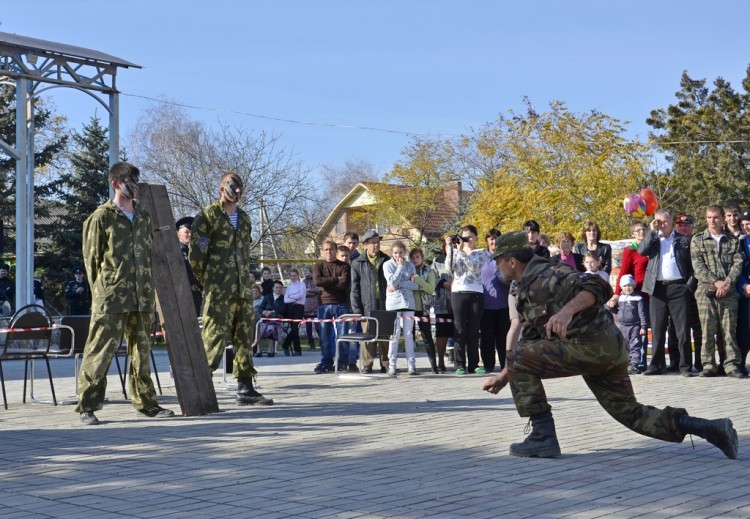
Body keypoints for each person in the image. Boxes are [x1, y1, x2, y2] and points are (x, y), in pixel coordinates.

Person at [481, 231, 738, 460]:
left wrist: (567, 311)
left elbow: (598, 285)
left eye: (498, 260)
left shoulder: (551, 273)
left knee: (518, 357)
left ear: (512, 261)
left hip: (591, 348)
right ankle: (711, 428)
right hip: (605, 352)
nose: (497, 266)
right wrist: (505, 376)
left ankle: (542, 436)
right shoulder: (524, 287)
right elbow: (530, 341)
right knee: (631, 414)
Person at [75, 161, 174, 425]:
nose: (136, 186)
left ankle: (146, 402)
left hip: (141, 296)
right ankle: (88, 405)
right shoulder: (101, 217)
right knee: (100, 351)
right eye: (130, 181)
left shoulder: (142, 216)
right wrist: (102, 293)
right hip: (111, 297)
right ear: (115, 184)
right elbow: (92, 261)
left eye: (137, 181)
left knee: (142, 352)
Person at [190, 172, 273, 406]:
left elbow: (244, 254)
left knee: (244, 337)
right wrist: (209, 281)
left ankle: (245, 389)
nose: (237, 192)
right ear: (221, 188)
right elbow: (196, 256)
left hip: (241, 290)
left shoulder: (244, 219)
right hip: (218, 290)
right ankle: (200, 390)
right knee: (213, 338)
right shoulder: (207, 216)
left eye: (240, 189)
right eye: (232, 187)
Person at [691, 205, 746, 378]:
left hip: (729, 292)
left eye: (715, 217)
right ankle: (708, 365)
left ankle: (731, 365)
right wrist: (716, 282)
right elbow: (698, 267)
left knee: (729, 330)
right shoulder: (698, 239)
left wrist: (726, 284)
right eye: (709, 217)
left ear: (722, 218)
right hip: (705, 292)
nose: (712, 221)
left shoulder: (732, 240)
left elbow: (738, 265)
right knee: (707, 330)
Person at [638, 209, 694, 377]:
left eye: (664, 222)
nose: (662, 224)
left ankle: (685, 366)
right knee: (657, 329)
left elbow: (693, 266)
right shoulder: (654, 239)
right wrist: (652, 231)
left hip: (679, 288)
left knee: (682, 330)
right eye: (658, 222)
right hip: (657, 289)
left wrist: (688, 286)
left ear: (671, 222)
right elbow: (641, 251)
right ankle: (656, 365)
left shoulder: (684, 240)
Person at [446, 225, 491, 375]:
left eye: (470, 237)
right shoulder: (456, 251)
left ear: (476, 237)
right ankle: (459, 364)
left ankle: (474, 364)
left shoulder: (482, 253)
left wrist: (462, 253)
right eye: (464, 238)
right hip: (458, 292)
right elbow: (449, 268)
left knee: (473, 330)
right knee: (459, 329)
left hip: (476, 293)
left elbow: (474, 268)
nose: (467, 241)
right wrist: (450, 249)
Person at [608, 221, 650, 371]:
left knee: (651, 328)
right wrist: (617, 294)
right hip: (637, 293)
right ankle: (635, 362)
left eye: (643, 229)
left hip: (654, 292)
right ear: (632, 234)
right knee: (638, 331)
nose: (641, 232)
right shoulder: (630, 250)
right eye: (637, 230)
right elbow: (623, 273)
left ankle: (649, 362)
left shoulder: (653, 246)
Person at [350, 230, 390, 374]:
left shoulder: (387, 259)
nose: (376, 245)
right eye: (373, 242)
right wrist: (356, 309)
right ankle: (367, 364)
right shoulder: (357, 263)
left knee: (384, 335)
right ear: (366, 245)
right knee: (368, 336)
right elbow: (354, 289)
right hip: (367, 304)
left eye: (378, 242)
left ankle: (386, 363)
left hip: (385, 303)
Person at [669, 214, 702, 372]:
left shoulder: (696, 242)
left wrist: (689, 286)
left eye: (686, 225)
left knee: (697, 329)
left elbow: (698, 267)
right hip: (676, 292)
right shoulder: (672, 242)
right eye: (679, 225)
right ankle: (675, 361)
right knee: (675, 329)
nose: (682, 228)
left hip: (693, 292)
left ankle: (699, 362)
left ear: (692, 227)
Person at [313, 239, 350, 373]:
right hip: (323, 304)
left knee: (343, 335)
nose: (329, 252)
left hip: (341, 304)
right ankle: (326, 363)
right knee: (325, 336)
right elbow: (317, 281)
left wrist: (326, 283)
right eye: (326, 249)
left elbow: (343, 285)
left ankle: (342, 363)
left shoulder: (344, 266)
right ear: (323, 251)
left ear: (336, 250)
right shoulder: (318, 266)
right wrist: (335, 279)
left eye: (332, 249)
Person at [383, 241, 419, 375]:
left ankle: (411, 364)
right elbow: (391, 282)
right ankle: (392, 364)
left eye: (401, 252)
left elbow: (415, 285)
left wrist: (401, 284)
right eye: (395, 253)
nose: (398, 255)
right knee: (395, 334)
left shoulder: (410, 265)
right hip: (393, 304)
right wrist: (399, 267)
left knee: (408, 334)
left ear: (405, 252)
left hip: (408, 303)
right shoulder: (387, 265)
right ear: (391, 253)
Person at [480, 229, 511, 372]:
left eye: (496, 239)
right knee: (487, 337)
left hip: (504, 304)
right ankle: (488, 365)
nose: (493, 242)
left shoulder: (505, 257)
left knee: (503, 337)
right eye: (491, 239)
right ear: (487, 241)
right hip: (486, 304)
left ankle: (506, 364)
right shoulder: (481, 257)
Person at [409, 247, 439, 374]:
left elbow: (431, 289)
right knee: (410, 337)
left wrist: (418, 281)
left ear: (422, 258)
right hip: (409, 308)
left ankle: (434, 366)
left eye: (417, 257)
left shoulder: (429, 271)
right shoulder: (407, 270)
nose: (415, 260)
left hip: (424, 308)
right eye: (413, 257)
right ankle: (411, 366)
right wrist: (420, 286)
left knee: (427, 337)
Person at [612, 274, 648, 374]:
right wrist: (611, 306)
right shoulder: (619, 298)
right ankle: (626, 364)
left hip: (635, 326)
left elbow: (642, 313)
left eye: (629, 285)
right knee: (624, 346)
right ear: (621, 287)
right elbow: (616, 310)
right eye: (625, 286)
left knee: (635, 345)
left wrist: (643, 326)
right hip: (622, 326)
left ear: (634, 286)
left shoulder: (638, 298)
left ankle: (634, 365)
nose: (627, 288)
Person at [431, 238, 454, 373]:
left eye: (452, 245)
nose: (450, 247)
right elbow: (433, 276)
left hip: (458, 300)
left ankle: (459, 360)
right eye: (448, 245)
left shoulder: (460, 257)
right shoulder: (438, 260)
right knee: (442, 333)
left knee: (458, 331)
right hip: (442, 302)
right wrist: (445, 284)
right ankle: (440, 361)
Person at [335, 245, 358, 372]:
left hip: (351, 307)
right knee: (340, 336)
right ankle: (340, 361)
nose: (344, 258)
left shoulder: (352, 269)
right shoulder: (335, 269)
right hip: (339, 306)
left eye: (346, 256)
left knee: (353, 336)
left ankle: (352, 361)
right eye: (342, 256)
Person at [176, 216, 202, 316]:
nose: (190, 234)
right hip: (183, 295)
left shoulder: (197, 251)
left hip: (197, 294)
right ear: (179, 234)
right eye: (187, 232)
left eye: (192, 232)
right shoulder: (176, 252)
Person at [256, 280, 287, 357]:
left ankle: (270, 350)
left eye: (280, 288)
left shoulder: (284, 298)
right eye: (277, 287)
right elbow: (260, 308)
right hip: (265, 319)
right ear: (273, 288)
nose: (278, 289)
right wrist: (263, 312)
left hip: (276, 321)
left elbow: (283, 310)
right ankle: (258, 350)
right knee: (257, 328)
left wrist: (272, 312)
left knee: (271, 328)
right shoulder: (267, 297)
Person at [736, 210, 750, 374]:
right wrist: (744, 285)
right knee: (744, 330)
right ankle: (740, 363)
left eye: (748, 224)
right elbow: (738, 268)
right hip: (745, 292)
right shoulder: (739, 242)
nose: (745, 228)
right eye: (743, 225)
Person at [280, 269, 306, 356]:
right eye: (291, 276)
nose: (292, 277)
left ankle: (285, 344)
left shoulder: (302, 285)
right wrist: (293, 298)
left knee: (295, 328)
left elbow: (301, 295)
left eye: (294, 275)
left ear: (298, 276)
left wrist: (292, 297)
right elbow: (285, 300)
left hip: (299, 308)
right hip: (291, 309)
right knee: (294, 330)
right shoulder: (289, 287)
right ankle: (297, 350)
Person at [302, 266, 320, 350]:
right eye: (303, 271)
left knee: (318, 327)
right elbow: (303, 292)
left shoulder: (316, 280)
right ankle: (311, 343)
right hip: (307, 308)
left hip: (316, 307)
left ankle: (322, 341)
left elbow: (319, 290)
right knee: (308, 328)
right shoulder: (304, 281)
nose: (304, 272)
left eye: (306, 270)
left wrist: (309, 290)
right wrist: (311, 291)